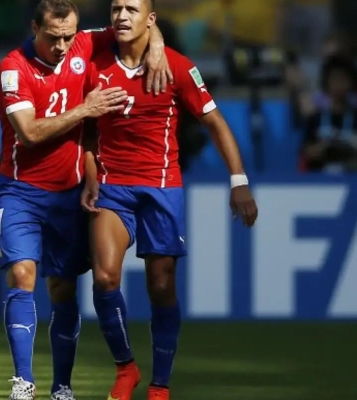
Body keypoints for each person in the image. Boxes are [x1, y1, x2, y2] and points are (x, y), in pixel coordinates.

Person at [0, 1, 171, 399]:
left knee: (62, 289)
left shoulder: (83, 44)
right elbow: (29, 134)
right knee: (22, 275)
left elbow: (138, 28)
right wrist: (85, 109)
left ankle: (62, 387)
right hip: (20, 191)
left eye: (68, 37)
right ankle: (23, 382)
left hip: (68, 193)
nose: (61, 46)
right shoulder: (13, 68)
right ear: (34, 28)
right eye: (52, 37)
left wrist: (157, 44)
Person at [81, 0, 258, 399]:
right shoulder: (94, 63)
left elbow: (214, 122)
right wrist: (90, 171)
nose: (122, 16)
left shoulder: (177, 67)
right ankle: (125, 367)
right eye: (116, 8)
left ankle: (160, 385)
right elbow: (87, 130)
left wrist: (239, 181)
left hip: (160, 188)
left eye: (131, 9)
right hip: (112, 187)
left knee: (161, 287)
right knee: (104, 277)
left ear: (151, 19)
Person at [300, 55, 357, 173]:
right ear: (326, 82)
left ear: (353, 82)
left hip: (354, 176)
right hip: (319, 176)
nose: (338, 84)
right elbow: (306, 152)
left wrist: (348, 145)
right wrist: (323, 147)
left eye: (343, 79)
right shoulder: (315, 119)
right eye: (334, 79)